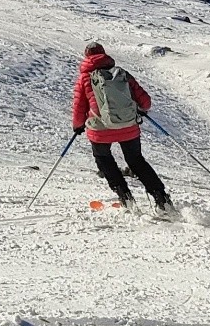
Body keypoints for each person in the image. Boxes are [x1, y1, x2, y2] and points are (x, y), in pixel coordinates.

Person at [71, 41, 172, 211]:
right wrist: (138, 109)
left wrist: (78, 126)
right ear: (104, 55)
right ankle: (162, 200)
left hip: (100, 129)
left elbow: (79, 106)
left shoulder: (85, 78)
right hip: (128, 127)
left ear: (87, 57)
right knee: (136, 161)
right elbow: (145, 102)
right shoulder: (121, 74)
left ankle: (125, 198)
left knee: (104, 160)